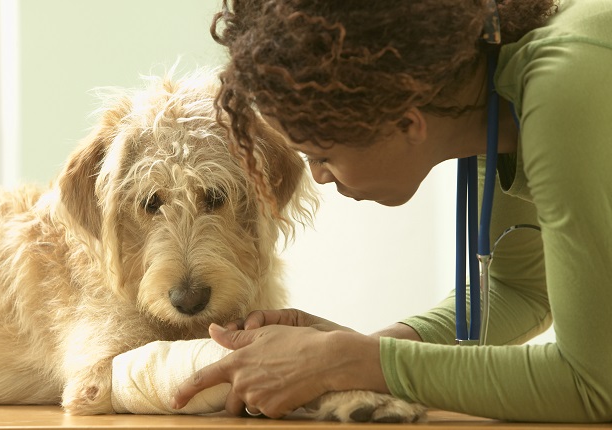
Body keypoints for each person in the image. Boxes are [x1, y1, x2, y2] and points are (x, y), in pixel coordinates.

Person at [171, 0, 612, 423]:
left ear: (405, 122)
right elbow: (520, 290)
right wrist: (346, 351)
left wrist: (349, 362)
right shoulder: (489, 98)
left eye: (321, 155)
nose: (320, 177)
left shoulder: (564, 87)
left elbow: (593, 384)